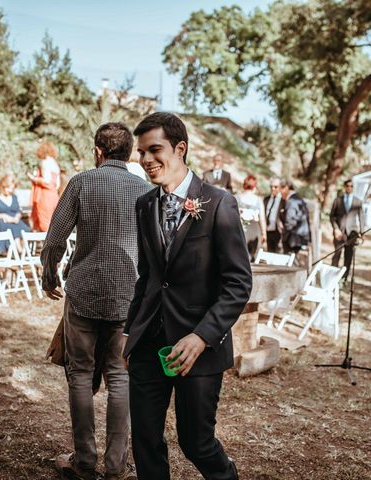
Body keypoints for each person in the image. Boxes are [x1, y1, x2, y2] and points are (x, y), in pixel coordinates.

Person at [125, 112, 252, 480]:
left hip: (199, 345)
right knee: (145, 439)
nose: (146, 160)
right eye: (141, 152)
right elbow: (148, 277)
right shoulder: (144, 205)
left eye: (154, 150)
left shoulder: (218, 203)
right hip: (149, 342)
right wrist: (128, 332)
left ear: (180, 149)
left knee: (196, 441)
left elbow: (238, 283)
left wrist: (202, 336)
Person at [41, 123, 150, 480]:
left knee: (80, 375)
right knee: (120, 377)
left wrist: (49, 272)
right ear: (130, 154)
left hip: (84, 292)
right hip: (127, 297)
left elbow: (55, 238)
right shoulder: (144, 190)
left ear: (98, 152)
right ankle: (116, 465)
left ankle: (84, 462)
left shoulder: (82, 182)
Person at [330, 179, 365, 279]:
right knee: (336, 254)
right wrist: (335, 229)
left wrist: (362, 233)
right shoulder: (337, 200)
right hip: (339, 232)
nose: (349, 187)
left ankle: (344, 278)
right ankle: (332, 277)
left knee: (348, 257)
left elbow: (361, 218)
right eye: (347, 186)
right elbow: (332, 216)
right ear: (344, 187)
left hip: (352, 234)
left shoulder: (358, 201)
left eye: (351, 186)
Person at [0, 173, 30, 254]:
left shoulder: (14, 197)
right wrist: (3, 216)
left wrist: (17, 217)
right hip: (1, 221)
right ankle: (18, 249)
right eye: (8, 188)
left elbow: (18, 211)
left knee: (21, 227)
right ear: (3, 186)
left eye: (12, 188)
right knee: (11, 227)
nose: (10, 191)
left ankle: (18, 249)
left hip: (15, 221)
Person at [28, 141, 61, 232]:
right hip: (54, 196)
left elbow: (47, 181)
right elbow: (57, 184)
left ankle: (46, 245)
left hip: (44, 197)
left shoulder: (45, 163)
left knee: (45, 223)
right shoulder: (55, 164)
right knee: (53, 223)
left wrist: (33, 178)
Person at [279, 179, 311, 265]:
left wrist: (284, 232)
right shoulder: (299, 199)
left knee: (291, 263)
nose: (280, 192)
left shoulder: (291, 201)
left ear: (286, 188)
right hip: (300, 237)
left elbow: (290, 221)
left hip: (293, 238)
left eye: (281, 189)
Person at [236, 175, 266, 260]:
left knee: (239, 254)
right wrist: (264, 234)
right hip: (254, 230)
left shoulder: (237, 198)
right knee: (251, 256)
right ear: (255, 186)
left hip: (240, 228)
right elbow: (262, 219)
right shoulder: (258, 200)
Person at [263, 178, 284, 252]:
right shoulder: (266, 199)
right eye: (271, 186)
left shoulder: (283, 200)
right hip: (267, 231)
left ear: (280, 187)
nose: (273, 188)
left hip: (278, 232)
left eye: (275, 187)